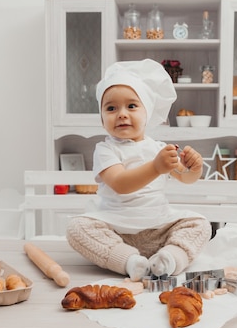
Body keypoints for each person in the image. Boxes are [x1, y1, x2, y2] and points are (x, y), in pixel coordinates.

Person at [66, 59, 212, 281]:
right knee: (77, 228)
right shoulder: (105, 150)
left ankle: (169, 258)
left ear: (148, 112)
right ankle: (129, 262)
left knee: (201, 224)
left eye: (132, 106)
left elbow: (186, 177)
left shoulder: (158, 148)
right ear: (102, 117)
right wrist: (155, 167)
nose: (122, 114)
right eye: (111, 108)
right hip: (116, 230)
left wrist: (195, 168)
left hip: (158, 228)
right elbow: (121, 184)